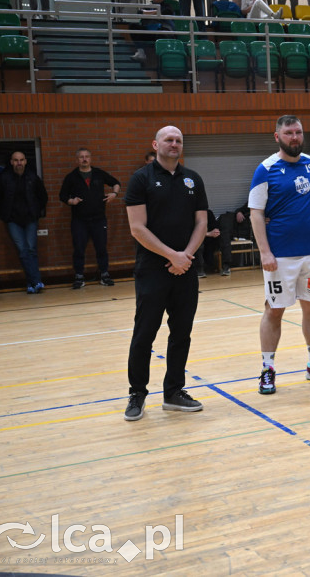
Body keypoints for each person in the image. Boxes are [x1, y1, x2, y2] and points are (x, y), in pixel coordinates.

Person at [250, 115, 310, 394]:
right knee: (274, 309)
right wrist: (264, 252)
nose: (294, 137)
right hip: (280, 257)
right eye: (289, 133)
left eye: (298, 132)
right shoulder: (265, 169)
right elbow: (256, 213)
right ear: (277, 136)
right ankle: (267, 369)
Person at [123, 126, 209, 421]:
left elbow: (201, 223)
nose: (174, 144)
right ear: (155, 144)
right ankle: (137, 393)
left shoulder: (193, 179)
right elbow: (137, 228)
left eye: (178, 140)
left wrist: (186, 256)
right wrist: (172, 256)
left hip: (185, 268)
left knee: (181, 332)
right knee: (144, 333)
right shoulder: (141, 179)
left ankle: (173, 392)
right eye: (168, 140)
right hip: (152, 270)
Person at [59, 147, 120, 288]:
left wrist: (114, 194)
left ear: (90, 159)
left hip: (99, 219)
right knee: (79, 249)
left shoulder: (99, 173)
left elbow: (116, 183)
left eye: (87, 156)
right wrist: (71, 201)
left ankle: (104, 275)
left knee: (101, 248)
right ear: (77, 160)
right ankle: (79, 277)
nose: (84, 159)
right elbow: (62, 195)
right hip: (79, 220)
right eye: (81, 157)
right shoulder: (71, 177)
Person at [0, 151, 47, 294]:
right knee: (22, 250)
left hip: (30, 218)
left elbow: (43, 196)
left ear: (25, 161)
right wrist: (3, 214)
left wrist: (36, 212)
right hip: (13, 220)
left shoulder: (32, 177)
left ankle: (32, 283)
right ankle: (35, 281)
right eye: (16, 160)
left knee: (31, 249)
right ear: (11, 162)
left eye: (21, 160)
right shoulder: (3, 178)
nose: (19, 163)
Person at [216, 202, 250, 276]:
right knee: (225, 234)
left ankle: (226, 265)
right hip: (237, 223)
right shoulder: (255, 200)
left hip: (248, 228)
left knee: (225, 234)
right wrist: (239, 212)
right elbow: (240, 209)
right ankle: (226, 266)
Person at [194, 209, 220, 277]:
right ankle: (199, 269)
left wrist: (216, 231)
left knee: (220, 238)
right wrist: (208, 234)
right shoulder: (190, 214)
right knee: (199, 243)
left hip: (208, 237)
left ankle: (219, 266)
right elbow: (192, 231)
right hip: (195, 238)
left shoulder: (208, 213)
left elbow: (214, 226)